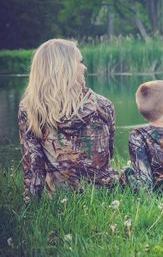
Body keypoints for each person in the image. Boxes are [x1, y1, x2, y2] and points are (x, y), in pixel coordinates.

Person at [18, 39, 119, 203]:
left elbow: (33, 167)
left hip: (60, 198)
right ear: (65, 69)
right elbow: (108, 154)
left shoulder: (30, 107)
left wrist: (31, 205)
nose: (84, 67)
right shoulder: (103, 105)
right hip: (106, 195)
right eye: (80, 62)